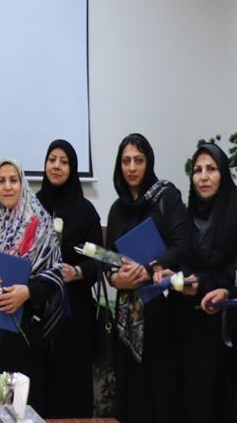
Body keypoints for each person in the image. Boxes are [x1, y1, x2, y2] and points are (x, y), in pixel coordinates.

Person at [0, 158, 64, 415]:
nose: (7, 186)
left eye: (13, 180)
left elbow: (55, 275)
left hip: (27, 332)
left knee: (24, 409)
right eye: (1, 181)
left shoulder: (40, 223)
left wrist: (27, 292)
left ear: (23, 183)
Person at [104, 133, 187, 423]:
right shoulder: (117, 209)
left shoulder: (167, 198)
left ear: (148, 162)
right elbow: (109, 259)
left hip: (163, 314)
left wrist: (150, 269)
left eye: (138, 160)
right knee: (131, 397)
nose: (132, 168)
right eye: (126, 161)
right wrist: (115, 279)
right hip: (128, 319)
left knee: (162, 396)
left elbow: (183, 245)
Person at [158, 144, 237, 421]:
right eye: (198, 170)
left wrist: (222, 288)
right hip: (191, 330)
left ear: (223, 174)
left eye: (211, 169)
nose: (203, 176)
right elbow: (184, 262)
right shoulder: (188, 217)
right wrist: (173, 276)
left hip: (228, 329)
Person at [37, 140, 102, 418]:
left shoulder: (85, 212)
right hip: (38, 313)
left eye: (63, 162)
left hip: (75, 316)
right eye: (52, 160)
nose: (56, 166)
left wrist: (77, 272)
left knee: (72, 392)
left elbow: (100, 261)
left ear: (72, 168)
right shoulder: (33, 206)